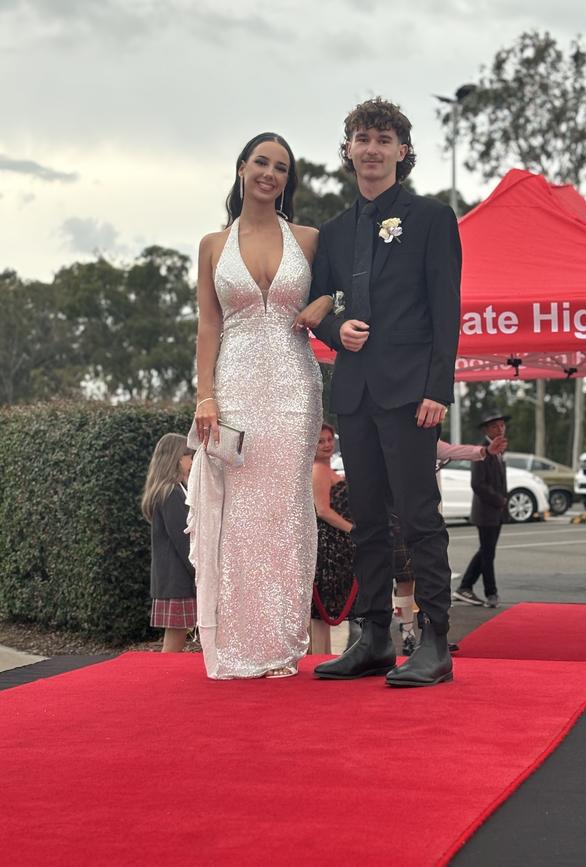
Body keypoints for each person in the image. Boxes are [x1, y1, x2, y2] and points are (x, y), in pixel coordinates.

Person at [309, 97, 462, 687]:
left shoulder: (431, 217)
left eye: (382, 138)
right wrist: (332, 329)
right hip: (355, 394)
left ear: (402, 150)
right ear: (348, 150)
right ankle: (372, 639)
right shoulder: (335, 231)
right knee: (368, 520)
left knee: (419, 518)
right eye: (361, 138)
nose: (370, 148)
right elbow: (316, 305)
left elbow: (445, 310)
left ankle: (436, 643)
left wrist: (438, 389)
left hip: (411, 395)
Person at [189, 132, 333, 679]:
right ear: (243, 168)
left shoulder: (310, 239)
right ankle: (239, 645)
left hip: (296, 387)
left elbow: (346, 290)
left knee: (287, 509)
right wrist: (206, 395)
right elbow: (208, 323)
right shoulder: (211, 245)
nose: (270, 173)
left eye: (280, 168)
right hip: (235, 387)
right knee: (240, 514)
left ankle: (282, 644)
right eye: (261, 163)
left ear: (287, 181)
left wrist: (324, 300)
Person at [393, 435, 507, 653]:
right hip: (401, 517)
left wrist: (486, 451)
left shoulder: (428, 442)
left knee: (433, 578)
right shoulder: (395, 441)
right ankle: (407, 636)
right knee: (405, 579)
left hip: (429, 520)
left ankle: (433, 634)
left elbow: (455, 451)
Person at [141, 433, 196, 653]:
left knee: (177, 636)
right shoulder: (170, 493)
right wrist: (198, 570)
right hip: (177, 579)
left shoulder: (173, 490)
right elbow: (182, 538)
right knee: (174, 641)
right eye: (188, 456)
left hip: (174, 578)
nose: (191, 461)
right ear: (176, 458)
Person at [453, 412, 510, 608]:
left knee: (486, 551)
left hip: (496, 512)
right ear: (486, 429)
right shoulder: (481, 451)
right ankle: (491, 593)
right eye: (495, 426)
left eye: (502, 426)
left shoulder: (500, 449)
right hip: (486, 512)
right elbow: (477, 484)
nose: (500, 429)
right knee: (487, 554)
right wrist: (500, 500)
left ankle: (465, 586)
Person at [311, 422, 356, 654]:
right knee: (322, 611)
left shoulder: (328, 469)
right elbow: (322, 510)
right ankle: (319, 660)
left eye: (329, 439)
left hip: (337, 546)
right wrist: (353, 530)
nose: (327, 445)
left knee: (326, 612)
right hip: (328, 548)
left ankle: (323, 659)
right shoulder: (318, 469)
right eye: (320, 441)